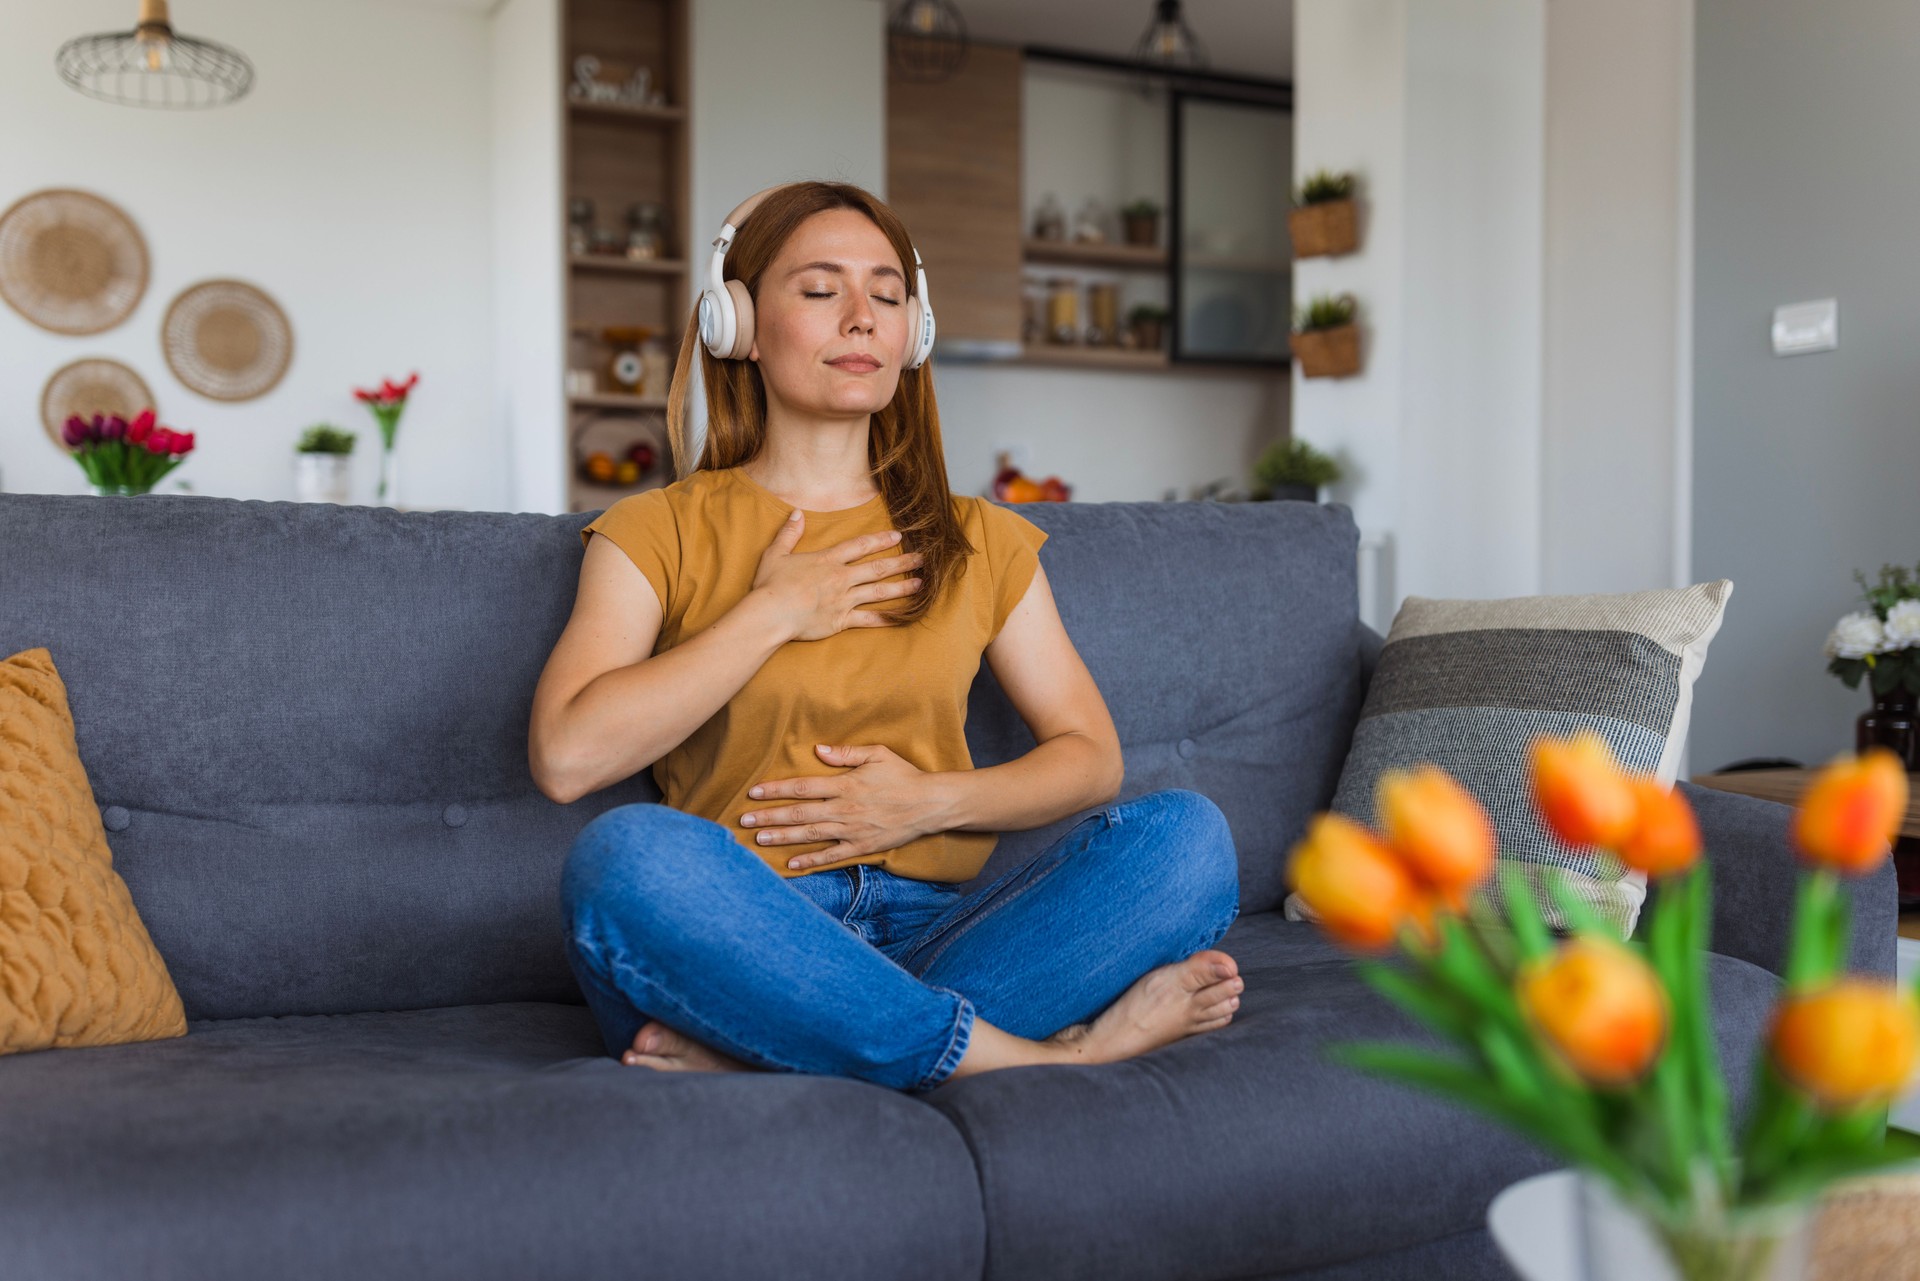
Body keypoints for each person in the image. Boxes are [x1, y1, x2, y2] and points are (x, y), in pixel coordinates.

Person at [528, 179, 1243, 1094]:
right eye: (821, 290)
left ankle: (782, 1044)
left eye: (889, 293)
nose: (862, 318)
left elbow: (1091, 757)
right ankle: (1043, 1056)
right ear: (735, 323)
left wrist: (929, 803)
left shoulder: (979, 536)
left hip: (941, 928)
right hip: (754, 931)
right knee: (624, 859)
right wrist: (773, 613)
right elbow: (566, 755)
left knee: (1188, 839)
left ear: (916, 333)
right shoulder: (657, 529)